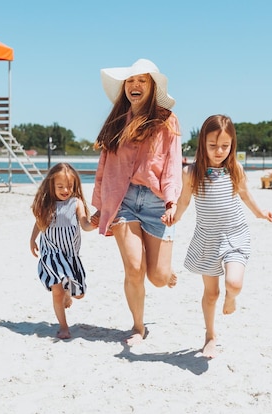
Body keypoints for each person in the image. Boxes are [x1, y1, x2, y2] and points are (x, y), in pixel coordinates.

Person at [90, 58, 182, 345]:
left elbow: (172, 165)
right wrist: (100, 207)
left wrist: (171, 201)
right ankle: (138, 327)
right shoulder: (117, 121)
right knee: (133, 267)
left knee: (157, 277)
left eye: (142, 80)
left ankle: (166, 272)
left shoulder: (168, 120)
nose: (135, 85)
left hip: (156, 203)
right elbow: (104, 167)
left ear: (152, 86)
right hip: (124, 200)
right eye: (130, 81)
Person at [165, 115, 272, 358]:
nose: (219, 151)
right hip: (208, 239)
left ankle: (232, 298)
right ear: (202, 143)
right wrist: (173, 214)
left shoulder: (235, 168)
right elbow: (183, 202)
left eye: (225, 146)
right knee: (211, 293)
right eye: (213, 146)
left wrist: (260, 213)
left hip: (235, 234)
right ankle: (210, 335)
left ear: (232, 144)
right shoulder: (191, 173)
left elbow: (245, 195)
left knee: (233, 283)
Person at [29, 163, 95, 339]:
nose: (65, 190)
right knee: (57, 291)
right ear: (52, 185)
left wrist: (95, 223)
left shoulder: (76, 203)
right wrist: (32, 239)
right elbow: (39, 222)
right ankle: (64, 327)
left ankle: (69, 293)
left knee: (79, 294)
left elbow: (85, 224)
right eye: (60, 186)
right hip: (51, 253)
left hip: (70, 255)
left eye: (69, 186)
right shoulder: (46, 204)